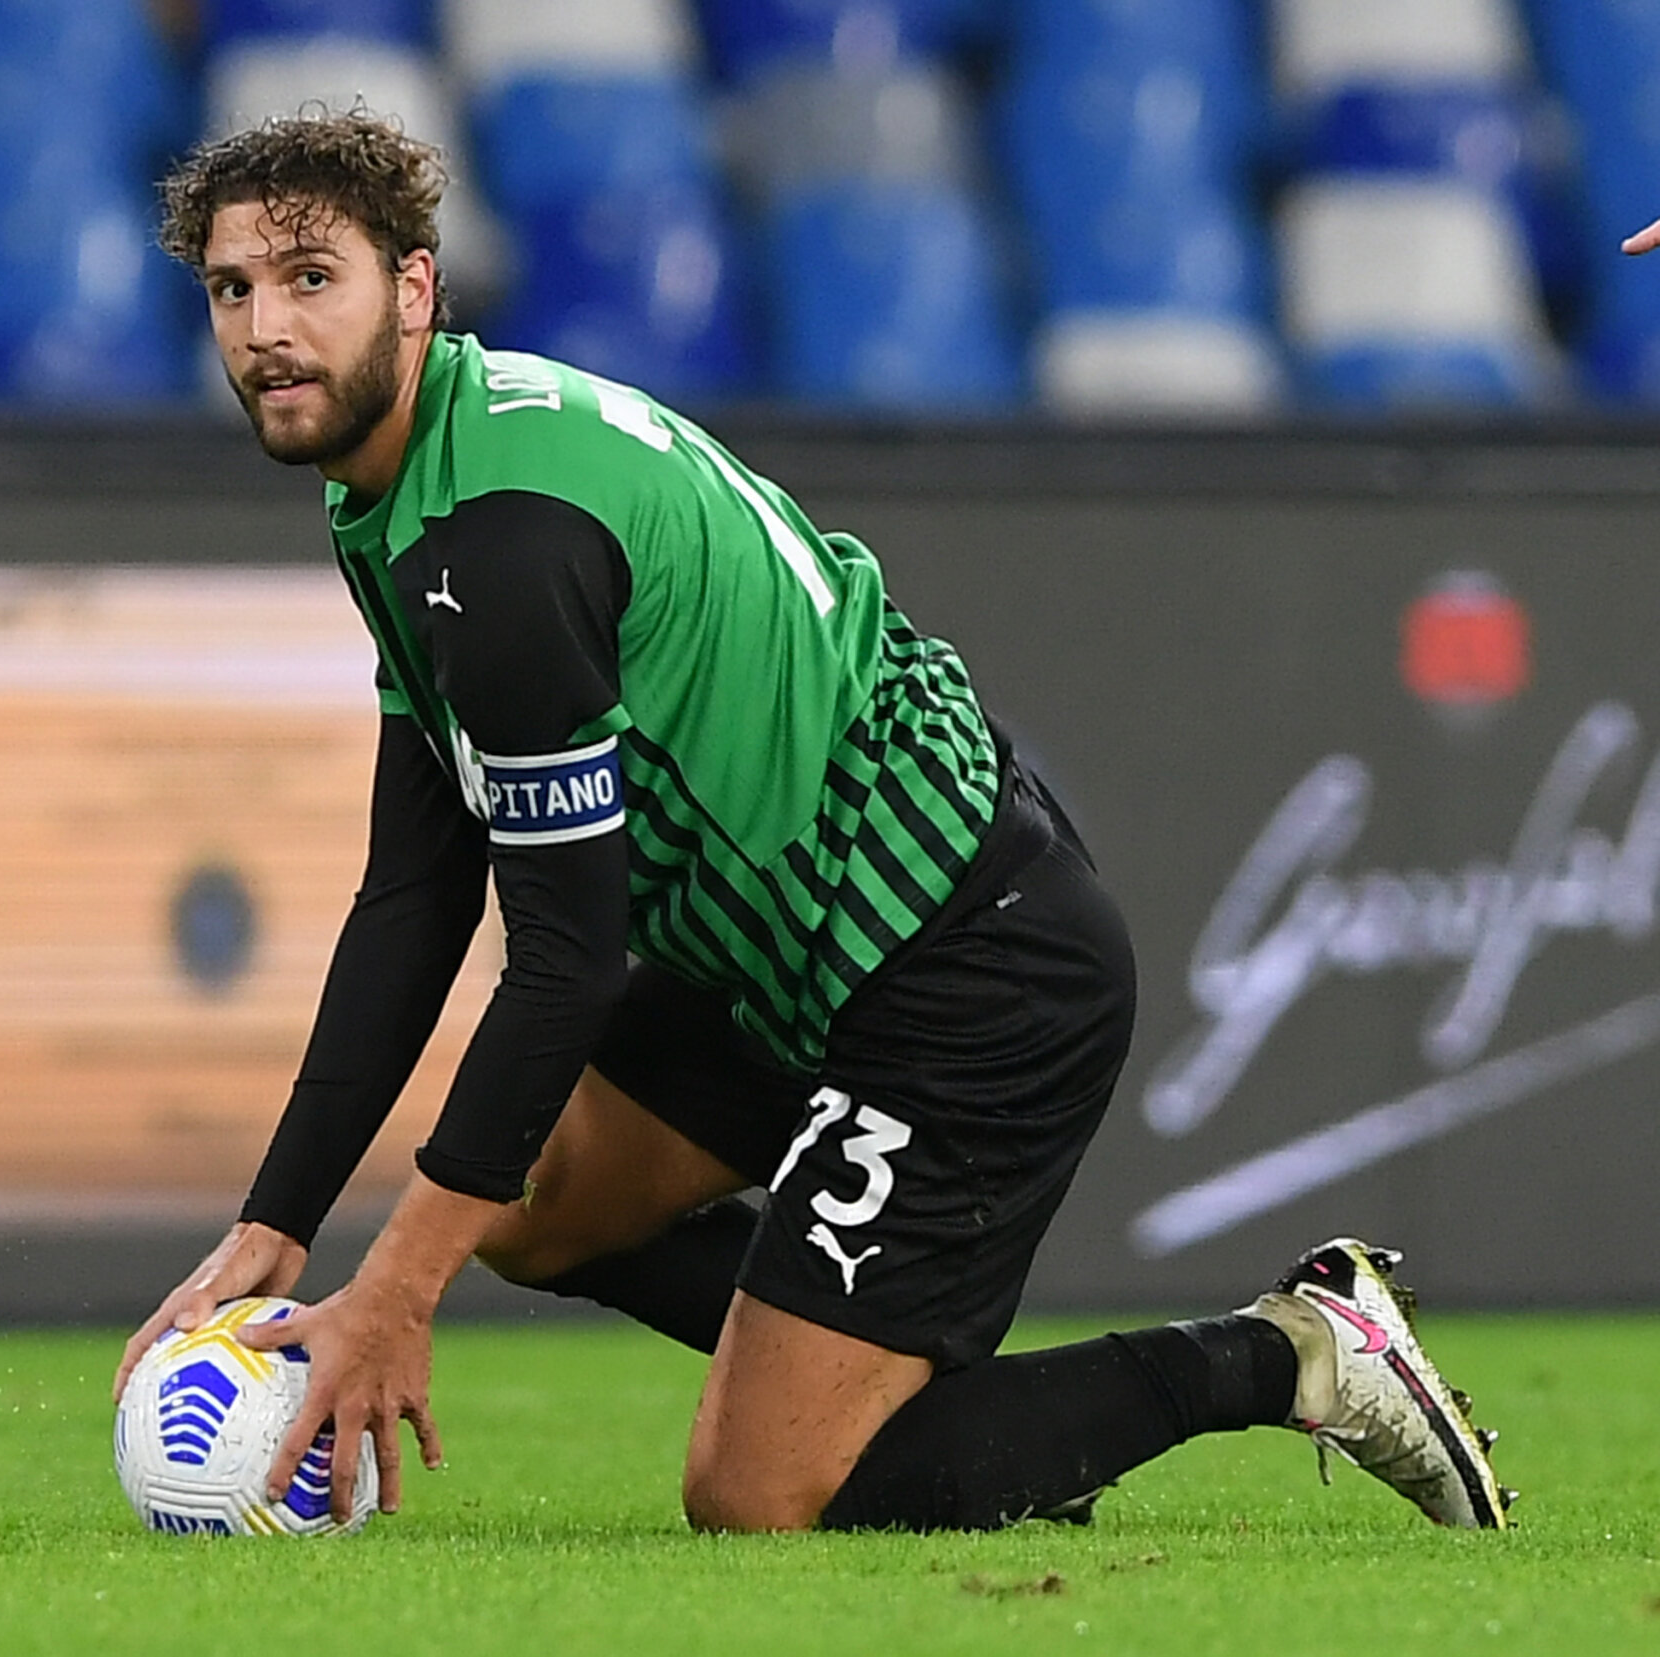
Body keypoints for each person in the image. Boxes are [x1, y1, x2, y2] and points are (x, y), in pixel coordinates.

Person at [115, 111, 1513, 1535]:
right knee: (529, 1203)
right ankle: (956, 1426)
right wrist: (276, 1221)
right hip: (793, 951)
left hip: (957, 958)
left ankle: (1297, 1349)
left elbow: (566, 962)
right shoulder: (420, 484)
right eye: (232, 289)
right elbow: (415, 895)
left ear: (414, 289)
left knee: (762, 1492)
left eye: (311, 280)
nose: (266, 330)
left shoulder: (505, 537)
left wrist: (396, 1293)